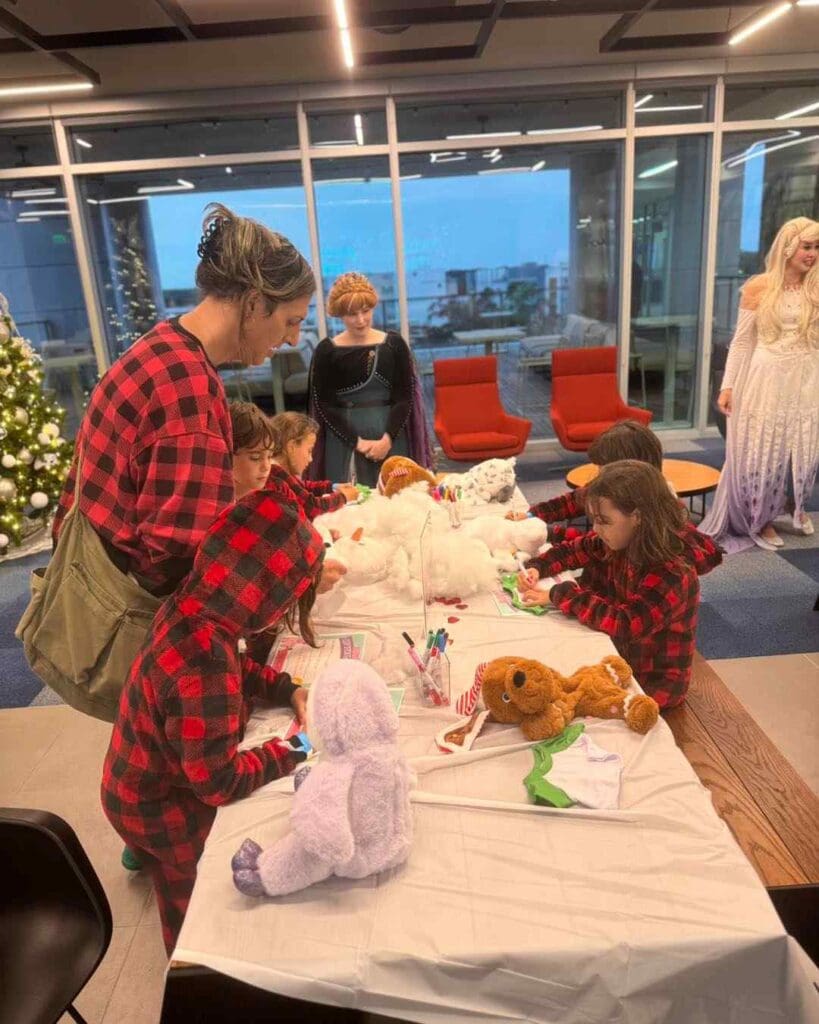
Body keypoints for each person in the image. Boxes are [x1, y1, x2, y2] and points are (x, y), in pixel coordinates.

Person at [101, 481, 324, 956]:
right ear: (267, 594)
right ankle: (195, 974)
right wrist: (296, 749)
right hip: (154, 805)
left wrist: (286, 688)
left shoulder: (196, 606)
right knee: (197, 902)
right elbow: (218, 783)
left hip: (133, 779)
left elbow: (234, 665)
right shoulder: (205, 661)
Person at [53, 202, 316, 596]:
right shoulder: (186, 386)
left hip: (84, 580)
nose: (294, 338)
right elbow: (177, 559)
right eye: (291, 321)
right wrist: (286, 581)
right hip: (120, 611)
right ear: (254, 303)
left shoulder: (164, 343)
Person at [517, 461, 722, 709]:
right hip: (621, 657)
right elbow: (573, 550)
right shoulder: (623, 538)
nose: (595, 529)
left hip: (650, 684)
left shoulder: (672, 572)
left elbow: (626, 623)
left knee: (553, 699)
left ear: (637, 517)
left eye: (603, 521)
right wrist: (538, 566)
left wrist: (561, 594)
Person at [701, 217, 819, 552]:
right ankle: (760, 518)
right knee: (764, 450)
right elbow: (740, 342)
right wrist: (727, 386)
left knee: (804, 448)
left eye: (817, 247)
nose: (812, 254)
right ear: (787, 247)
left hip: (808, 377)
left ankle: (793, 506)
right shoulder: (760, 288)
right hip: (766, 378)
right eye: (806, 246)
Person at [307, 271, 433, 488]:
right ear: (339, 314)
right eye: (351, 314)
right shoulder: (326, 351)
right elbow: (325, 405)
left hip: (392, 437)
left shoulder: (394, 344)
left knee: (398, 497)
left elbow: (404, 397)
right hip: (345, 443)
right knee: (350, 504)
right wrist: (357, 442)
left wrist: (387, 439)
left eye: (366, 311)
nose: (360, 320)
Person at [506, 419, 664, 542]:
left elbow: (597, 546)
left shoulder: (652, 519)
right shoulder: (612, 487)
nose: (599, 477)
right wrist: (530, 515)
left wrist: (547, 532)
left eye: (604, 470)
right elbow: (572, 501)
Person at [268, 410, 359, 517]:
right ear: (291, 447)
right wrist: (343, 497)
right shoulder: (276, 473)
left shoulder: (280, 471)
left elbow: (303, 486)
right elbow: (312, 507)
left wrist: (332, 487)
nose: (310, 459)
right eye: (309, 450)